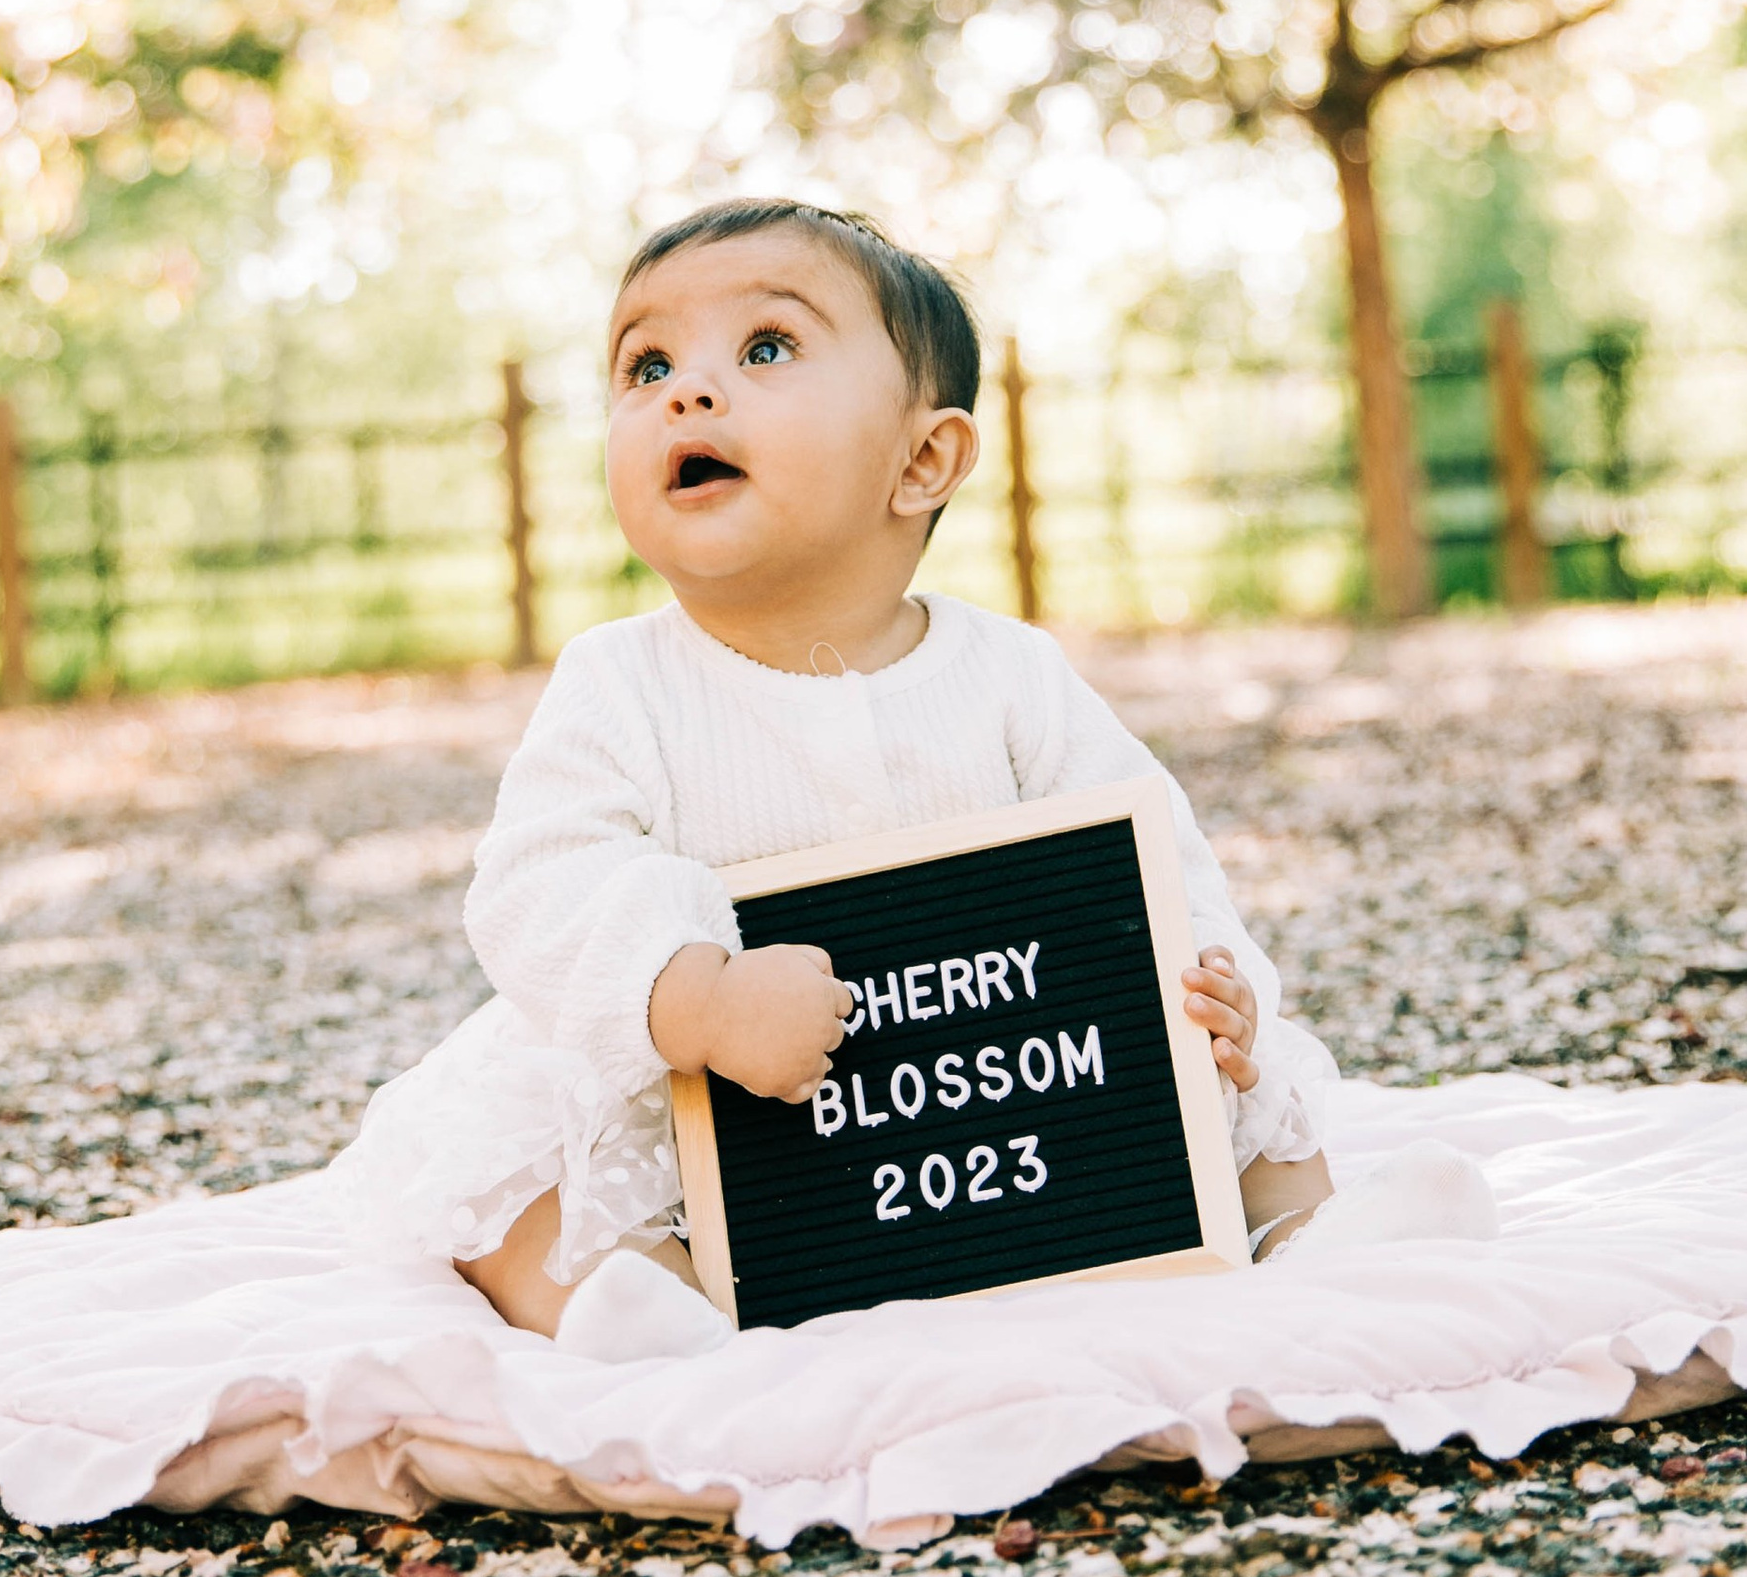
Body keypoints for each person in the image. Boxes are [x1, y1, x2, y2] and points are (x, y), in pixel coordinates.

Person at [420, 197, 1378, 1358]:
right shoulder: (619, 684)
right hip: (712, 1097)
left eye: (764, 349)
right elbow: (537, 885)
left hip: (994, 1101)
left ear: (922, 459)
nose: (688, 391)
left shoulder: (1011, 674)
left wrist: (1209, 983)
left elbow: (1147, 852)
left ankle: (1313, 1241)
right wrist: (693, 998)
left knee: (1254, 1103)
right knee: (507, 1185)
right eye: (647, 363)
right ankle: (646, 1305)